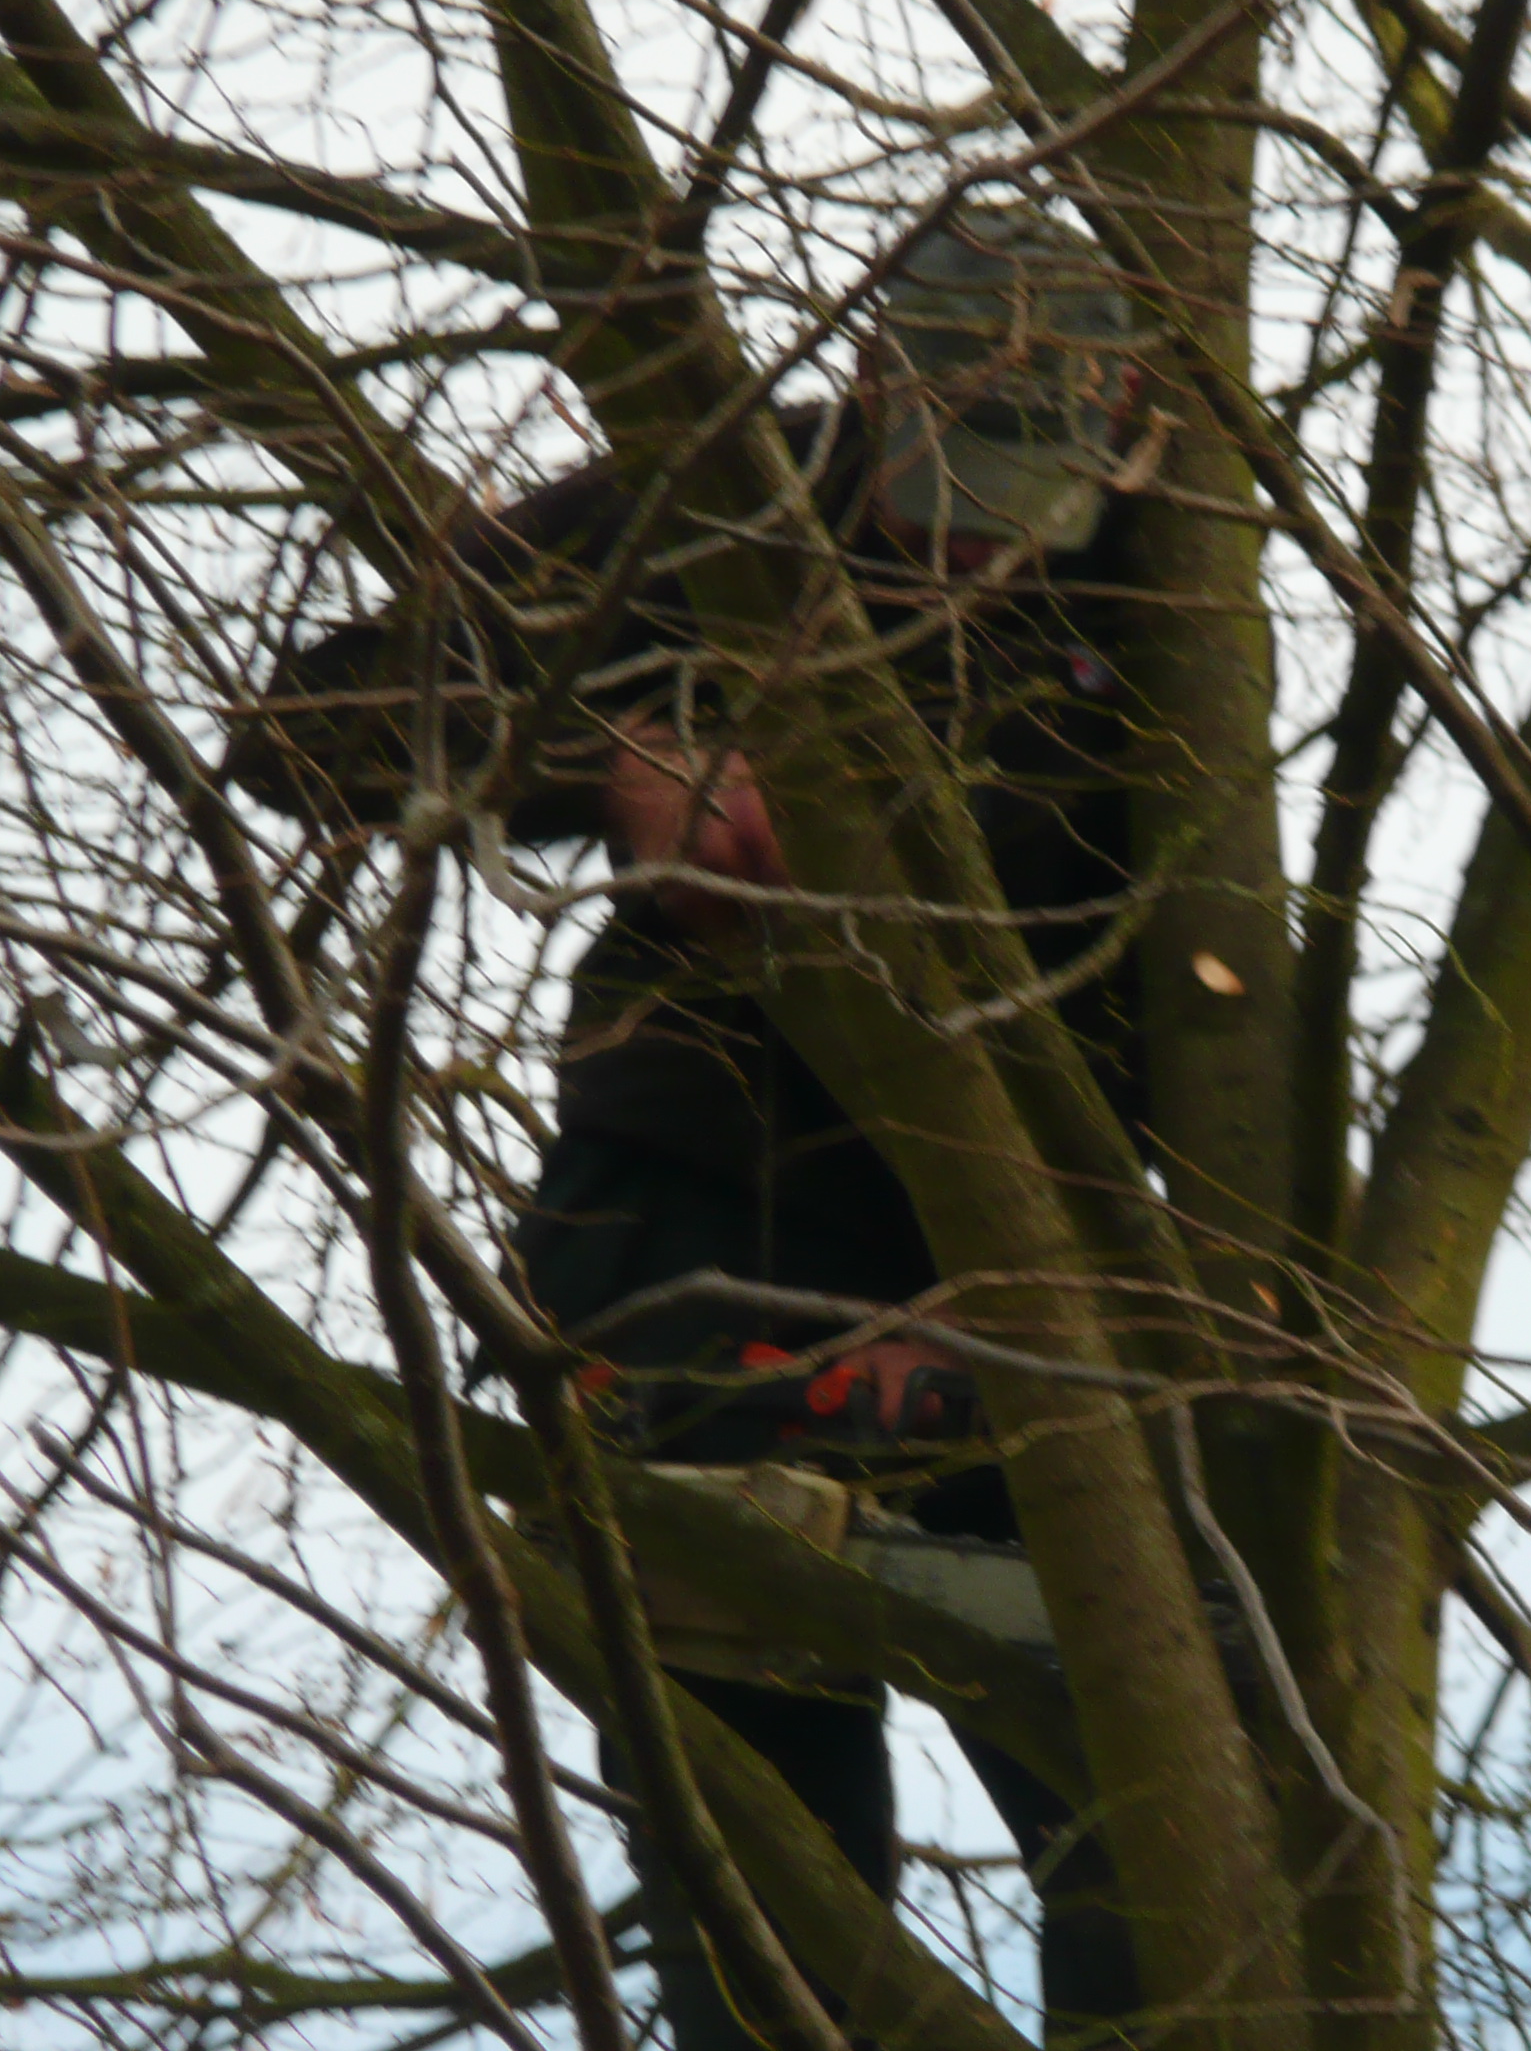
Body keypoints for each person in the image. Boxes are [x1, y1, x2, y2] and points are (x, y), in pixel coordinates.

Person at [230, 206, 1151, 2046]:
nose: (971, 536)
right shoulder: (718, 510)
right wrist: (609, 750)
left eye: (1016, 496)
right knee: (765, 1907)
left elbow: (1177, 1040)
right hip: (692, 1232)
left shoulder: (1163, 608)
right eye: (942, 474)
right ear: (880, 384)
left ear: (1125, 432)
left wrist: (1032, 1305)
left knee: (1165, 1809)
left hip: (1010, 1291)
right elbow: (302, 734)